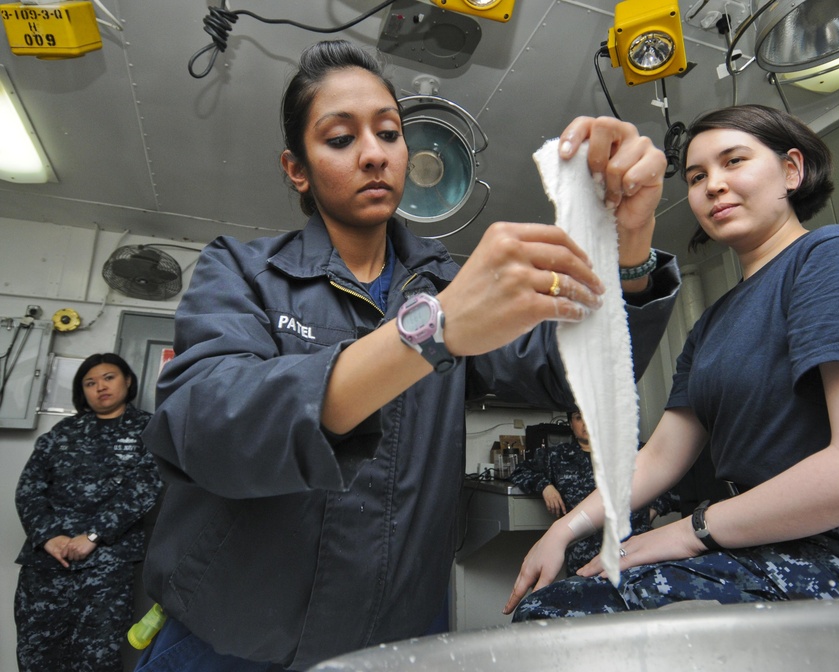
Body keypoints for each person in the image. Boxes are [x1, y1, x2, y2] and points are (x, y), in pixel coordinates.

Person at [135, 39, 681, 671]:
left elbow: (568, 372)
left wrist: (631, 240)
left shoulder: (447, 283)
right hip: (232, 635)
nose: (374, 153)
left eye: (390, 133)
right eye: (340, 139)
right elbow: (206, 424)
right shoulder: (244, 271)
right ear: (297, 168)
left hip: (394, 633)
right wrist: (431, 331)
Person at [504, 104, 839, 620]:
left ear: (791, 171)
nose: (713, 185)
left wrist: (689, 531)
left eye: (733, 161)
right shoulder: (712, 324)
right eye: (697, 177)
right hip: (768, 546)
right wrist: (564, 530)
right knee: (552, 610)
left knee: (567, 618)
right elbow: (659, 458)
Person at [14, 353, 162, 672]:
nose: (100, 388)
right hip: (48, 562)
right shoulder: (62, 432)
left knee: (97, 656)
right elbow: (30, 488)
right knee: (37, 651)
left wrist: (93, 536)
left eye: (108, 378)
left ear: (128, 381)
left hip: (107, 564)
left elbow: (143, 489)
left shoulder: (148, 430)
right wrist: (48, 537)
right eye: (90, 383)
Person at [510, 410, 678, 575]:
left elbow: (673, 475)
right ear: (570, 423)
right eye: (578, 417)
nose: (586, 422)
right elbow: (520, 471)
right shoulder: (556, 456)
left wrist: (652, 511)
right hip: (583, 558)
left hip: (631, 551)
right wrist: (546, 487)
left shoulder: (632, 452)